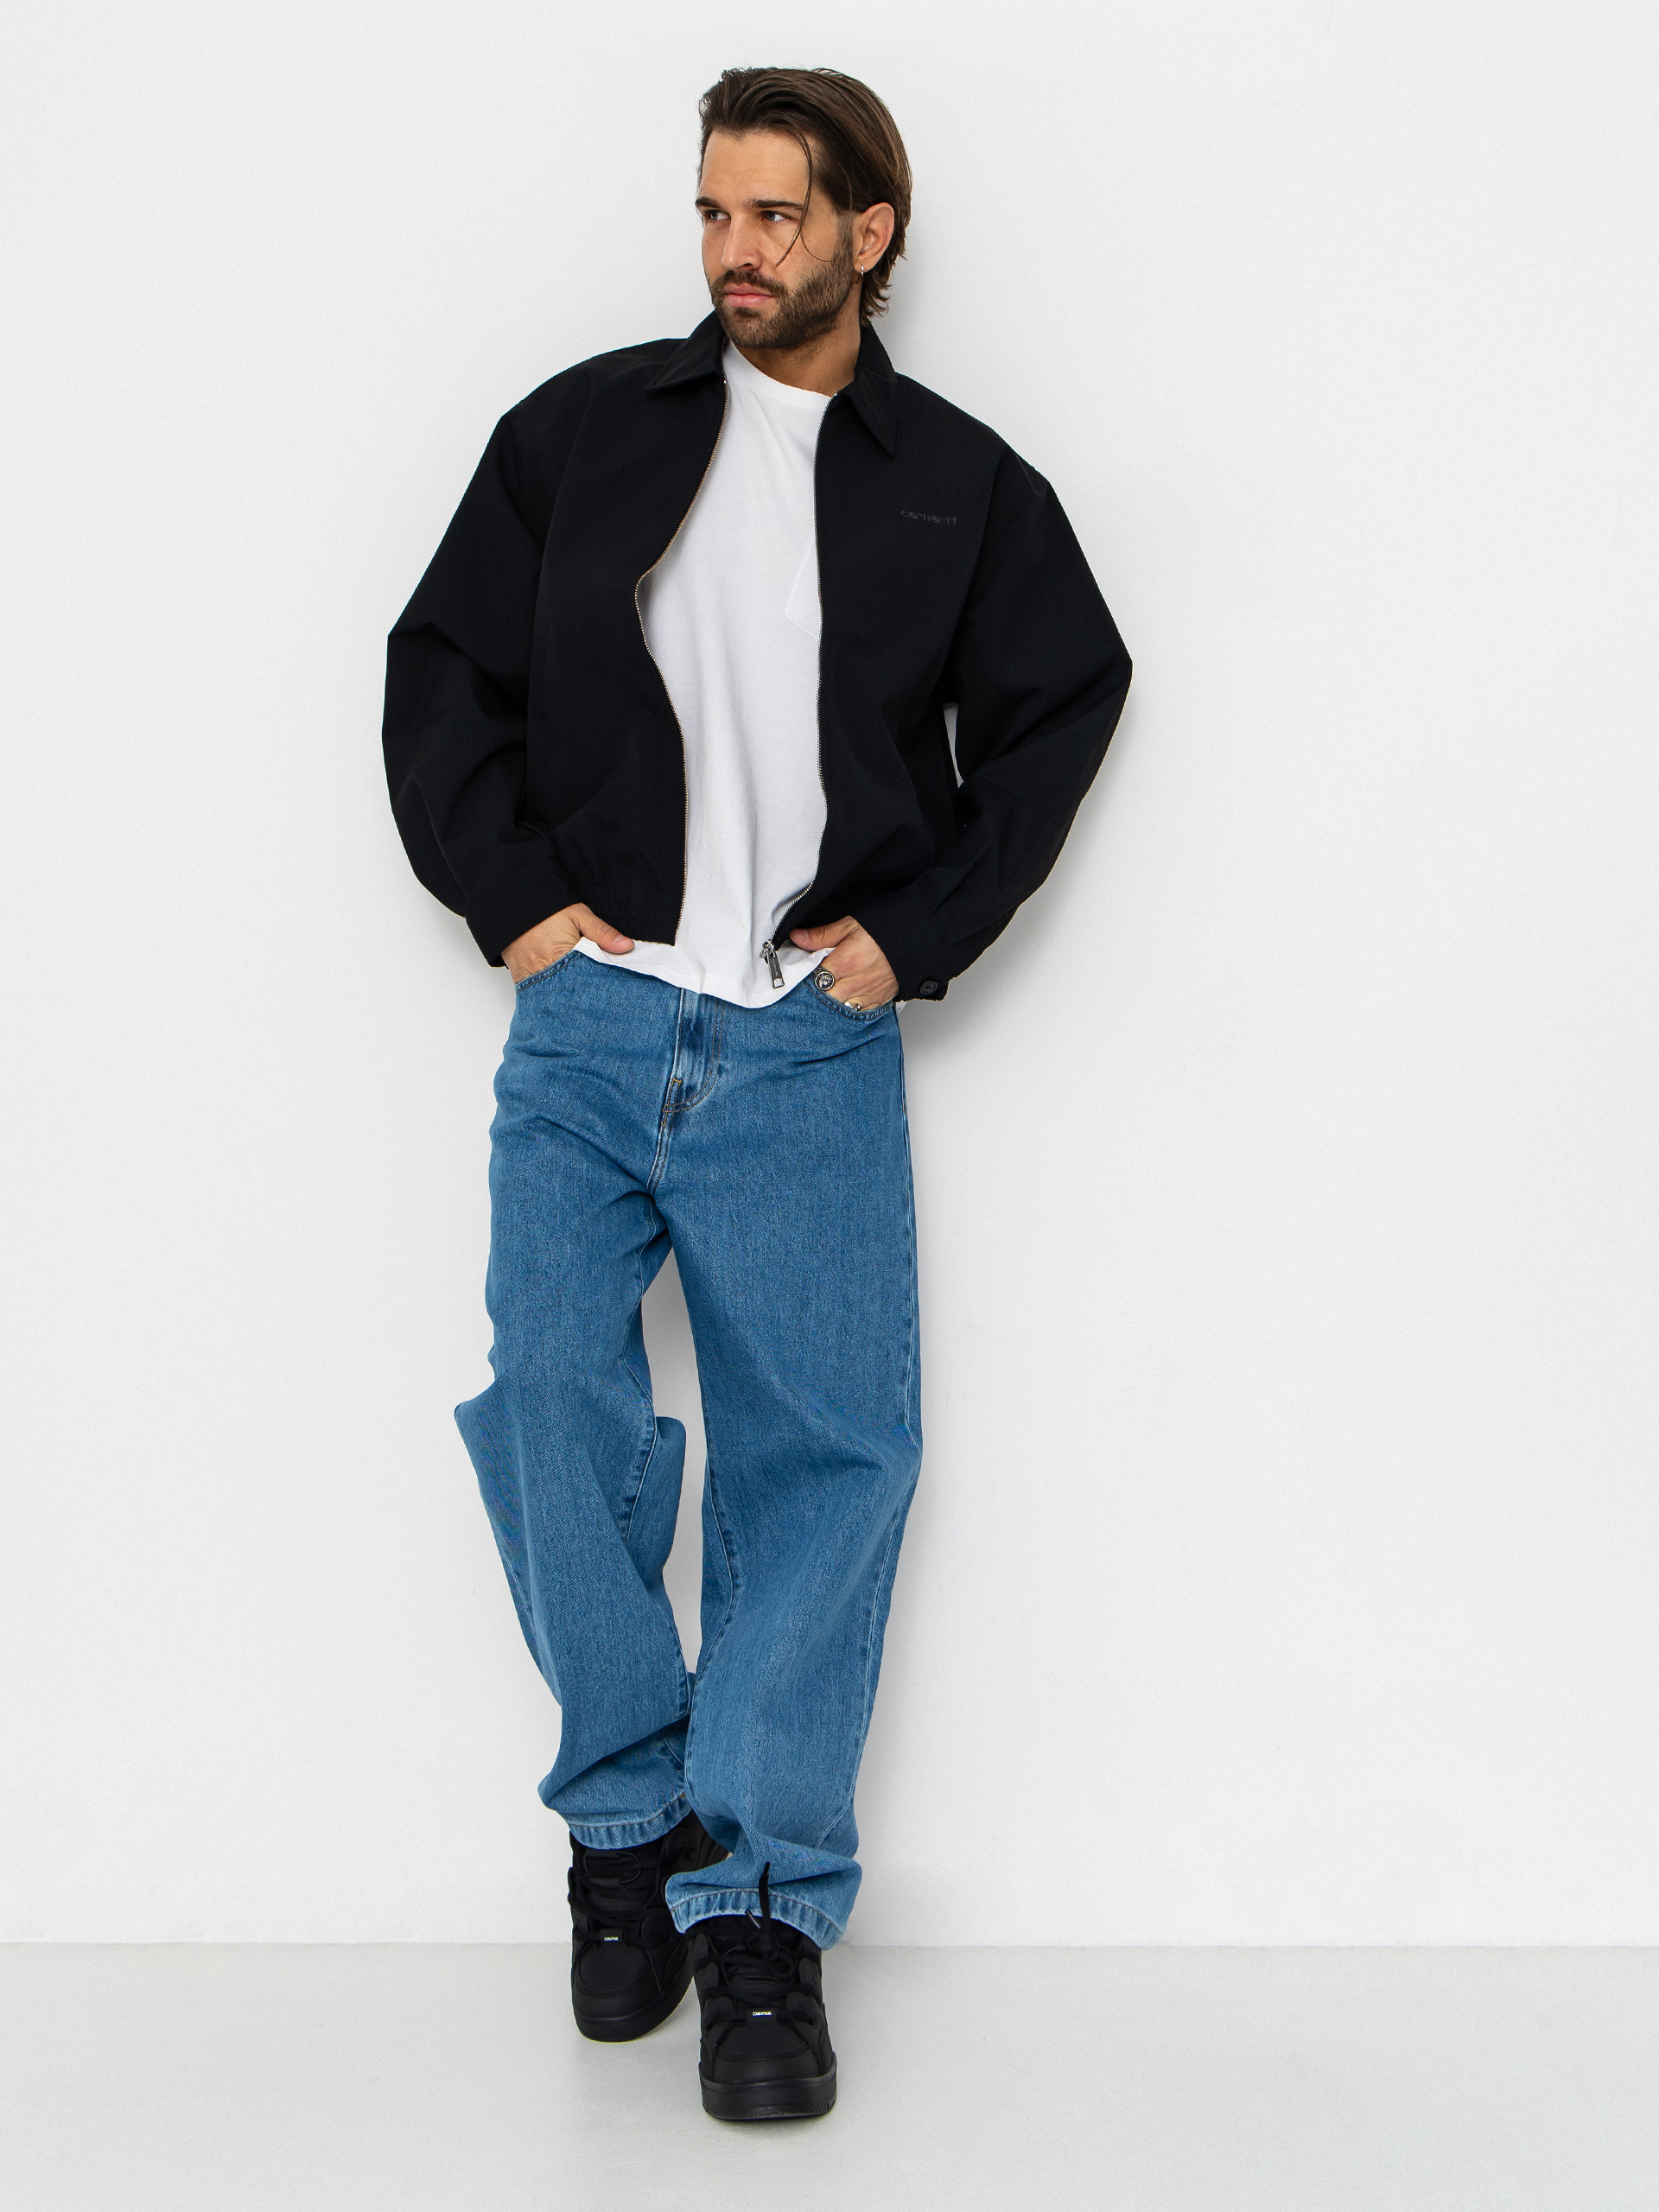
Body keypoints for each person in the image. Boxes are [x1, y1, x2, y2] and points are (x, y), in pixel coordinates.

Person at [382, 64, 1130, 2123]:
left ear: (868, 233)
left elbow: (1067, 697)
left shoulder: (956, 483)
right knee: (553, 1396)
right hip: (596, 1024)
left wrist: (920, 928)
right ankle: (627, 1823)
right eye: (713, 211)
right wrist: (518, 899)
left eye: (777, 216)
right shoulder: (581, 435)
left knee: (828, 1462)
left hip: (807, 1033)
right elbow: (442, 664)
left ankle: (765, 1912)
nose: (735, 250)